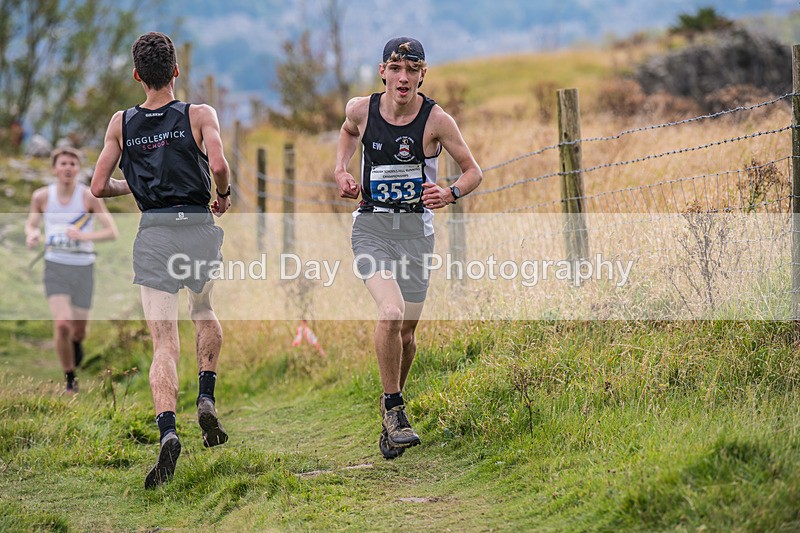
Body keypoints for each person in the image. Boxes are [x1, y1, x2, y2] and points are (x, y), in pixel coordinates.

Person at [90, 31, 232, 489]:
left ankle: (168, 431)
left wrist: (130, 186)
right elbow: (220, 167)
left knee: (163, 342)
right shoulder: (198, 113)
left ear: (137, 76)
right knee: (204, 310)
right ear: (175, 70)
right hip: (196, 227)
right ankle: (206, 398)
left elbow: (97, 186)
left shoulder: (121, 123)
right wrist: (223, 196)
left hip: (153, 233)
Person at [334, 37, 482, 459]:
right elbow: (347, 134)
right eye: (396, 68)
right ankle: (394, 410)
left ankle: (390, 404)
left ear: (422, 74)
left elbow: (475, 172)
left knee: (408, 332)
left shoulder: (437, 120)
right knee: (391, 311)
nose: (403, 77)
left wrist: (450, 193)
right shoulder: (360, 110)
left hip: (417, 233)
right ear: (383, 71)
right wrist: (341, 170)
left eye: (411, 69)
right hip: (372, 227)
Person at [24, 147, 118, 394]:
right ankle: (70, 379)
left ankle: (76, 343)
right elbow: (32, 223)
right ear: (55, 168)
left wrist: (84, 235)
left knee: (78, 330)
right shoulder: (42, 197)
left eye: (73, 164)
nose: (68, 168)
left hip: (83, 267)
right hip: (55, 266)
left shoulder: (89, 197)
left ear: (78, 169)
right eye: (63, 163)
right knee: (62, 324)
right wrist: (32, 235)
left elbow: (112, 231)